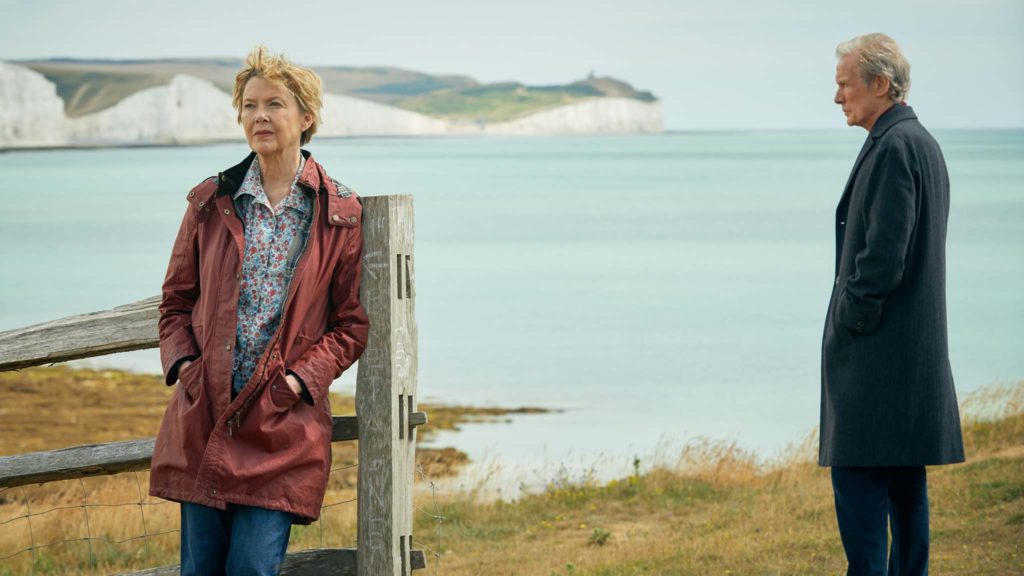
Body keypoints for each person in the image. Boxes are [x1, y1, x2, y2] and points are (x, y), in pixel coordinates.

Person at [149, 46, 369, 576]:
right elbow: (176, 302)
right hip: (206, 414)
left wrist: (297, 381)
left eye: (274, 104)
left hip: (281, 425)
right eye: (249, 106)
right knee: (200, 570)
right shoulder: (210, 201)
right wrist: (185, 366)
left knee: (251, 567)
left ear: (306, 117)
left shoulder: (338, 213)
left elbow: (350, 326)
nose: (259, 117)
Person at [820, 33, 964, 575]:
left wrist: (847, 321)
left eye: (844, 85)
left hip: (878, 367)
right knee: (906, 502)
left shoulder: (895, 146)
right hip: (906, 366)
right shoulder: (917, 142)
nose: (838, 98)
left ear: (879, 84)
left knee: (859, 496)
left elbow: (882, 260)